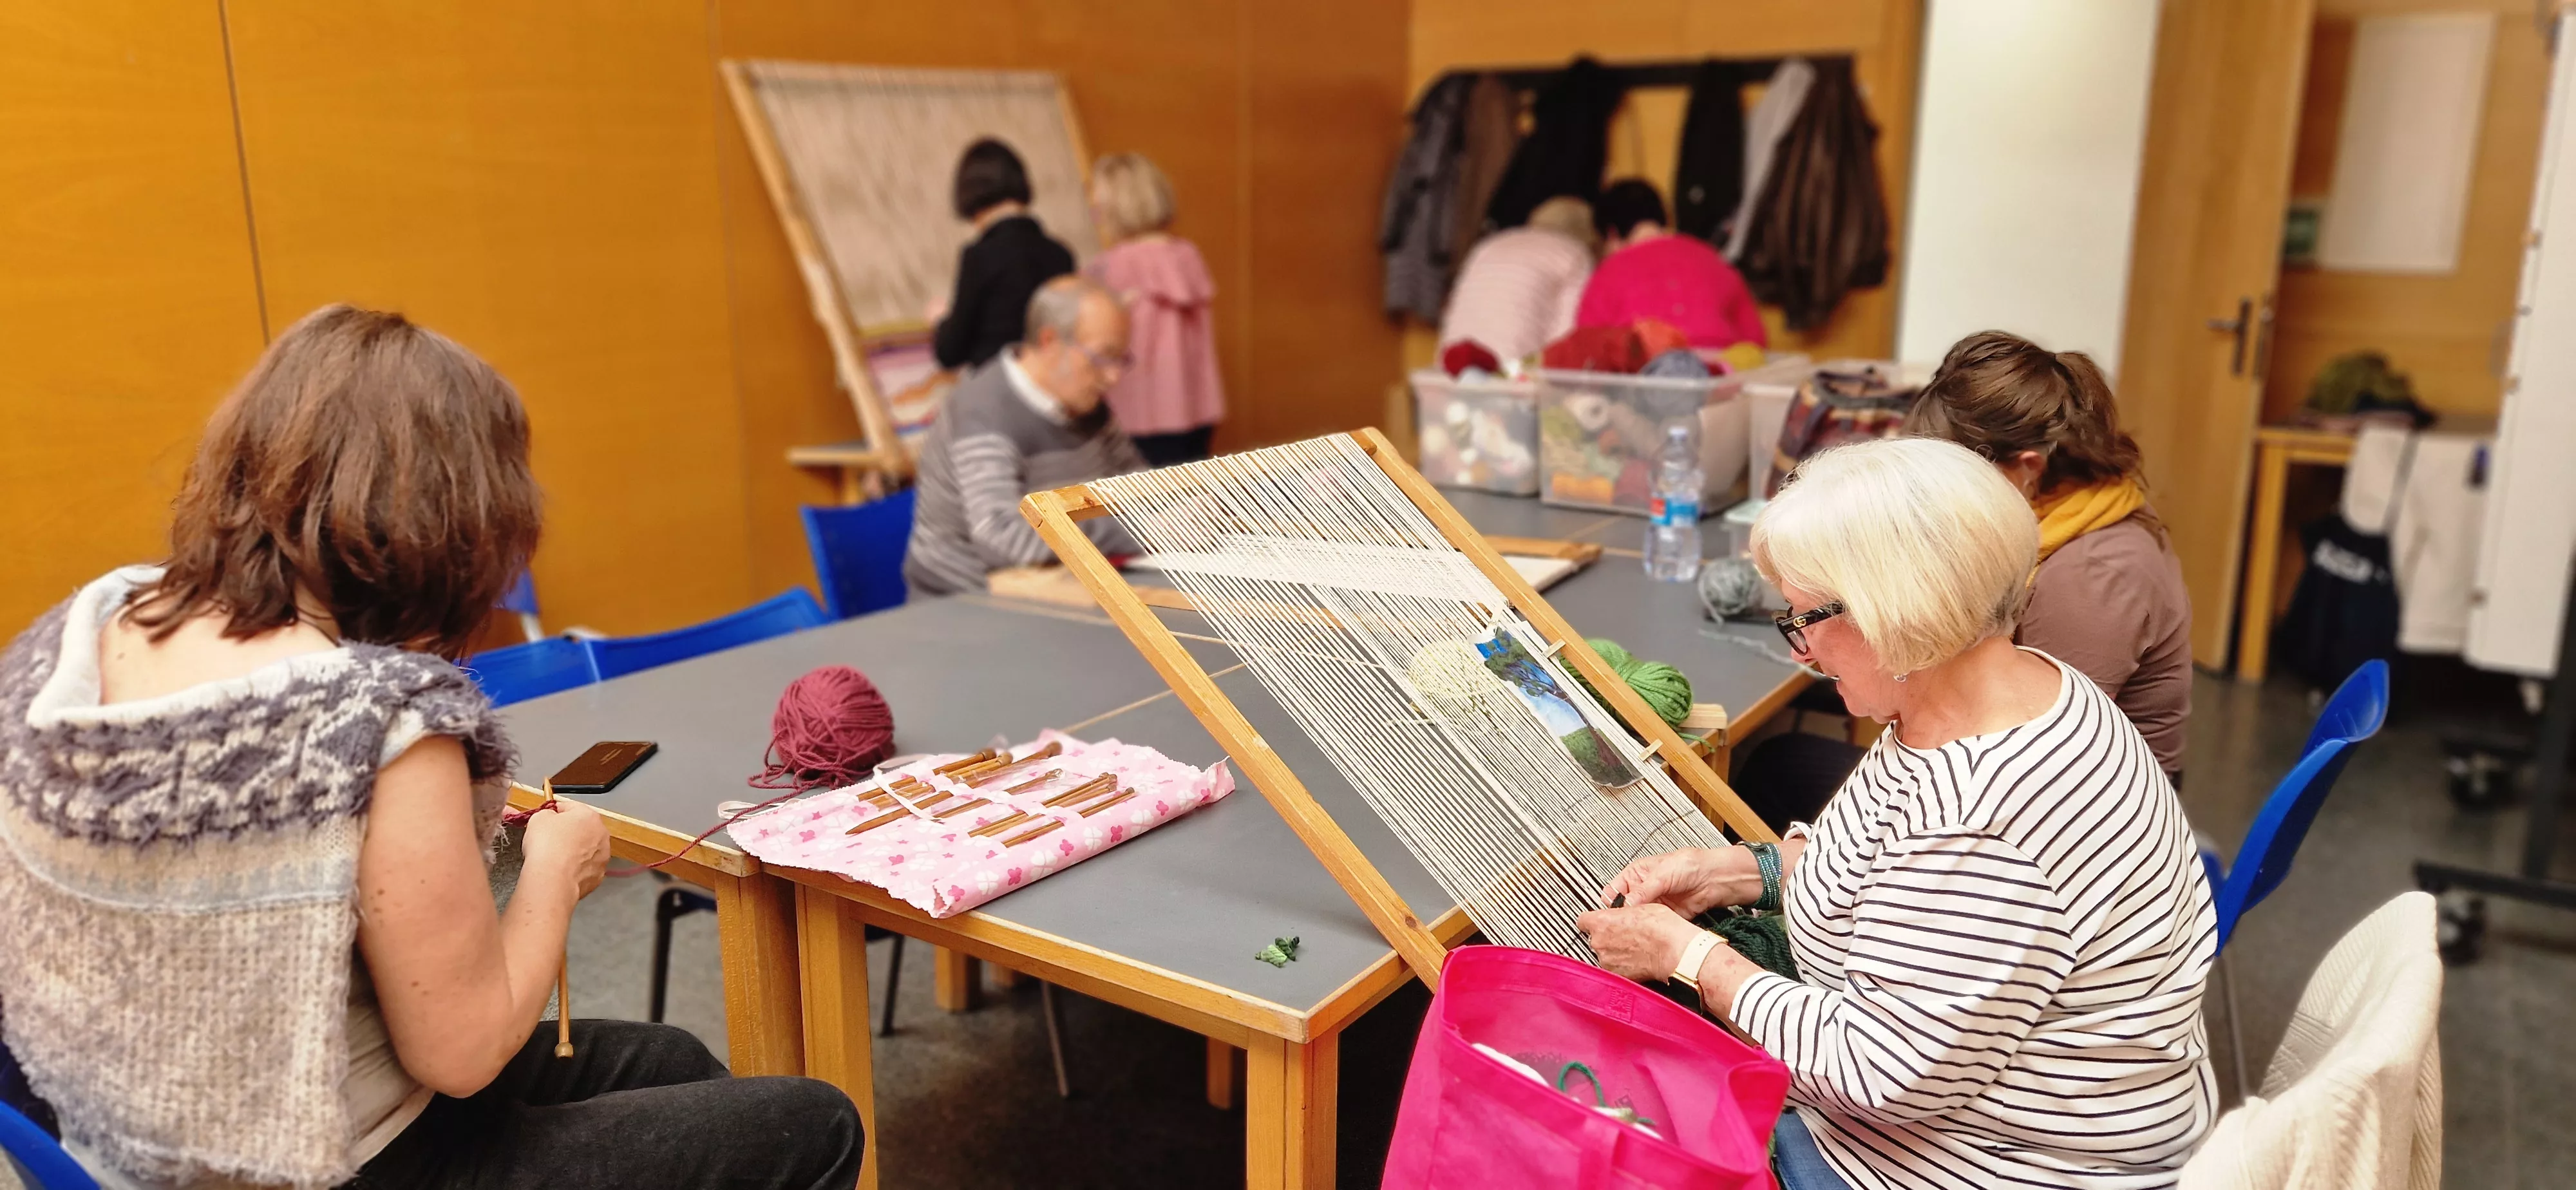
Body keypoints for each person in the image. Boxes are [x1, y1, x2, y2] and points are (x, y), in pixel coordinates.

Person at [0, 306, 862, 1189]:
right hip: (326, 1159)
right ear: (454, 524)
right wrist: (554, 873)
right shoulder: (373, 719)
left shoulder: (84, 626)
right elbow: (465, 1051)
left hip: (120, 1133)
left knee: (666, 1058)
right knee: (817, 1125)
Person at [1578, 438, 2216, 1190]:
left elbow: (1876, 1070)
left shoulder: (1986, 815)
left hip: (1978, 1169)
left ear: (1893, 609)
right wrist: (1727, 873)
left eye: (1805, 618)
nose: (1801, 651)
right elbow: (1891, 867)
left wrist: (1684, 957)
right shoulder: (2013, 691)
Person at [1906, 330, 2193, 783]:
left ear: (2027, 467)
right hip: (2051, 782)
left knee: (1783, 768)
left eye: (1959, 475)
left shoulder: (2088, 575)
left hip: (2089, 818)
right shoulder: (2092, 506)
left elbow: (2036, 757)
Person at [906, 276, 1150, 596]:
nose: (1113, 376)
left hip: (1060, 583)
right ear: (1049, 342)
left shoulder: (1087, 402)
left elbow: (1139, 486)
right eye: (1103, 357)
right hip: (968, 600)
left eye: (1120, 359)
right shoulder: (984, 412)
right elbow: (1005, 540)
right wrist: (1144, 529)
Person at [1084, 151, 1226, 465]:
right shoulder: (1187, 256)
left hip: (1139, 413)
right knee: (1191, 503)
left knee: (1142, 507)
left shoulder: (1111, 267)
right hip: (1198, 405)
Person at [932, 137, 1077, 372]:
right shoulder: (1060, 253)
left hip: (1002, 386)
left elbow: (950, 353)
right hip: (1056, 380)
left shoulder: (980, 257)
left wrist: (940, 322)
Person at [1574, 178, 1767, 352]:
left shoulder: (1609, 272)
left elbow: (1587, 349)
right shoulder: (1712, 258)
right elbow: (1755, 340)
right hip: (1720, 377)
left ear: (1612, 233)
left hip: (1643, 380)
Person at [1435, 195, 1598, 366]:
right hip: (1513, 374)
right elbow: (1566, 335)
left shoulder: (1489, 245)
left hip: (1452, 366)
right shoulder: (1575, 255)